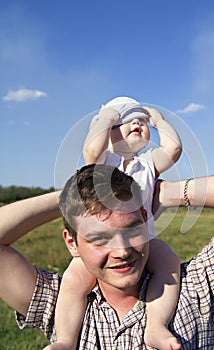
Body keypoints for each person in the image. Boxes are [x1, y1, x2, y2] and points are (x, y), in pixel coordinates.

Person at [0, 164, 214, 349]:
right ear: (72, 244)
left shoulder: (193, 290)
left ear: (145, 220)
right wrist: (71, 195)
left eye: (132, 230)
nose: (122, 251)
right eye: (100, 238)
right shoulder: (61, 305)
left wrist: (166, 192)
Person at [52, 96, 183, 350]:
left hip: (143, 239)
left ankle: (156, 325)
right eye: (126, 121)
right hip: (104, 242)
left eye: (140, 121)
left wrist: (158, 120)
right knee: (74, 280)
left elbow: (174, 149)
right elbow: (90, 150)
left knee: (168, 261)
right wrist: (107, 117)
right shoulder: (104, 162)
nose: (137, 124)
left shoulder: (147, 164)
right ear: (107, 133)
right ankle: (66, 340)